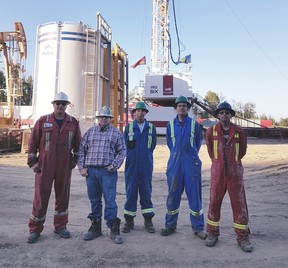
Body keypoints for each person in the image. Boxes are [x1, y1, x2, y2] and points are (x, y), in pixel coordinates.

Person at [27, 91, 81, 243]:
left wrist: (74, 161)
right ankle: (35, 229)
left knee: (63, 196)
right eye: (57, 103)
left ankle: (60, 226)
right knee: (40, 198)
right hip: (45, 165)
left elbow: (78, 145)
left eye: (63, 104)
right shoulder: (43, 121)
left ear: (67, 105)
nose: (60, 106)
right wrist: (33, 162)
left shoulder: (73, 122)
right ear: (53, 104)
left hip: (64, 166)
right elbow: (32, 143)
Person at [205, 101, 253, 252]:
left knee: (239, 204)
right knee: (214, 202)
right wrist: (219, 163)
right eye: (221, 112)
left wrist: (233, 163)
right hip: (218, 170)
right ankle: (212, 233)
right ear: (218, 115)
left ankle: (242, 237)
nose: (224, 114)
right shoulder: (211, 131)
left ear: (231, 115)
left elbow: (243, 151)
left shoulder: (239, 131)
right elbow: (211, 152)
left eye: (227, 112)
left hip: (235, 171)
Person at [77, 106, 126, 244]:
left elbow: (122, 151)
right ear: (98, 118)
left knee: (110, 201)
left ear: (110, 119)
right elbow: (81, 150)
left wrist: (114, 166)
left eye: (106, 117)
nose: (104, 119)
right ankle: (95, 228)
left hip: (107, 172)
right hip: (91, 172)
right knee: (94, 200)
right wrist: (82, 168)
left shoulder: (116, 133)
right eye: (101, 116)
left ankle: (113, 228)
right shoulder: (90, 132)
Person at [160, 95, 206, 239]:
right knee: (173, 195)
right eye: (179, 106)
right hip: (175, 164)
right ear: (176, 108)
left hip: (191, 163)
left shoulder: (194, 124)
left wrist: (191, 156)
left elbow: (198, 142)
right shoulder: (170, 125)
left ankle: (198, 228)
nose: (182, 108)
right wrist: (177, 155)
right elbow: (169, 143)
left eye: (184, 106)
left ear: (188, 108)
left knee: (195, 196)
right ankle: (170, 226)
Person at [122, 101, 157, 233]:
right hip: (131, 165)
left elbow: (152, 145)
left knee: (146, 192)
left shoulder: (151, 128)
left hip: (146, 165)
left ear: (145, 113)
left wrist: (145, 156)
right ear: (134, 113)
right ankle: (129, 220)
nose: (140, 113)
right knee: (130, 192)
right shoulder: (128, 128)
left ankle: (148, 220)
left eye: (143, 111)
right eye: (138, 111)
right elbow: (126, 144)